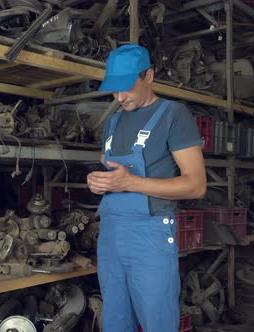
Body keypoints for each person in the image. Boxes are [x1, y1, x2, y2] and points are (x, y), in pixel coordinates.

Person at [87, 45, 207, 332]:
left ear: (149, 76)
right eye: (114, 90)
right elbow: (111, 169)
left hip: (150, 236)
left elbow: (196, 185)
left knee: (157, 322)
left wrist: (130, 182)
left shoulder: (173, 115)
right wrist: (100, 183)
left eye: (126, 88)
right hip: (111, 234)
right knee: (115, 320)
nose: (119, 97)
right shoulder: (113, 122)